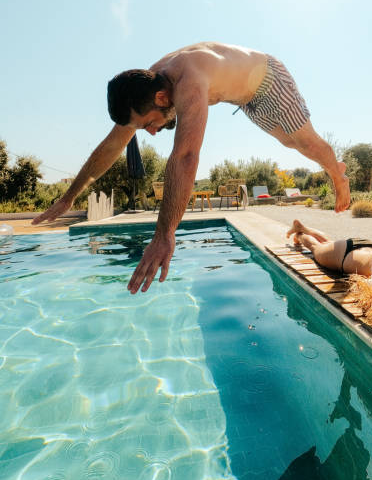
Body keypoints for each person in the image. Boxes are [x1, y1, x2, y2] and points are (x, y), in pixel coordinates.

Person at [33, 42, 350, 293]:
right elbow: (111, 146)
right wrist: (69, 197)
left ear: (161, 97)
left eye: (148, 125)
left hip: (267, 79)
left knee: (303, 142)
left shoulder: (189, 81)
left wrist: (164, 234)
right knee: (288, 142)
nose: (152, 132)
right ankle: (334, 168)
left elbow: (185, 156)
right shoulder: (146, 85)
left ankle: (338, 174)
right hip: (244, 96)